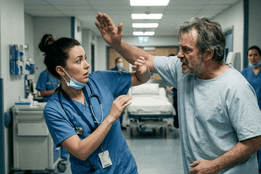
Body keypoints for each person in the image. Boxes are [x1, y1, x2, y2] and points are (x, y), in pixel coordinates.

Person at [95, 13, 261, 174]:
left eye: (187, 50)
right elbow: (146, 59)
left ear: (209, 53)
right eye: (180, 48)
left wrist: (214, 166)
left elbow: (255, 140)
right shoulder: (183, 70)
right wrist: (117, 44)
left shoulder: (236, 87)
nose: (179, 55)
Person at [40, 34, 150, 174]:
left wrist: (144, 71)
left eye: (85, 58)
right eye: (79, 61)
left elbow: (141, 79)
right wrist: (110, 118)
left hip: (124, 167)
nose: (87, 65)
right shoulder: (54, 110)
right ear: (61, 70)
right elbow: (80, 151)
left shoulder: (100, 80)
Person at [36, 69, 68, 164]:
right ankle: (51, 159)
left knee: (64, 132)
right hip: (50, 108)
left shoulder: (63, 74)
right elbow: (42, 93)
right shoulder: (44, 75)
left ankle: (63, 158)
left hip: (63, 107)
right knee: (52, 135)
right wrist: (57, 90)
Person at [241, 45, 261, 173]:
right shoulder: (244, 72)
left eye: (255, 55)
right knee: (251, 139)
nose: (253, 58)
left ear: (260, 56)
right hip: (250, 111)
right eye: (250, 55)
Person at [110, 57, 126, 129]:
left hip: (122, 93)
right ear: (116, 63)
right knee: (114, 109)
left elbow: (126, 83)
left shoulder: (124, 71)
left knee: (121, 110)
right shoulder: (111, 71)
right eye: (119, 62)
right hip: (114, 93)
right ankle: (114, 125)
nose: (120, 63)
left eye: (121, 62)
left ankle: (120, 125)